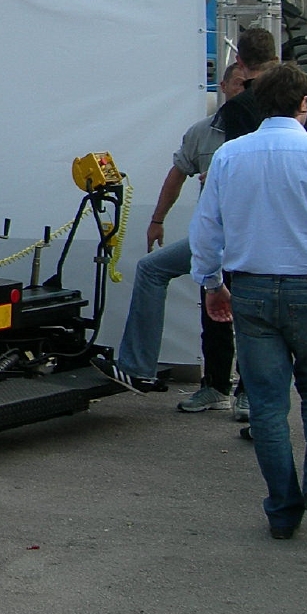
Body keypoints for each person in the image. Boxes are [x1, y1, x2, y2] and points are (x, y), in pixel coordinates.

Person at [192, 62, 307, 540]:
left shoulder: (230, 156)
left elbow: (207, 228)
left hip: (251, 289)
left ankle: (282, 508)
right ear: (304, 103)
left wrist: (212, 283)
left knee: (267, 404)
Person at [94, 62, 249, 409]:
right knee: (153, 268)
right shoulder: (203, 132)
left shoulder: (262, 131)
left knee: (246, 306)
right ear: (224, 86)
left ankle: (248, 394)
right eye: (239, 84)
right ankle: (141, 370)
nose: (244, 91)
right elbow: (177, 174)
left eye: (251, 84)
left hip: (253, 239)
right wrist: (157, 220)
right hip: (214, 238)